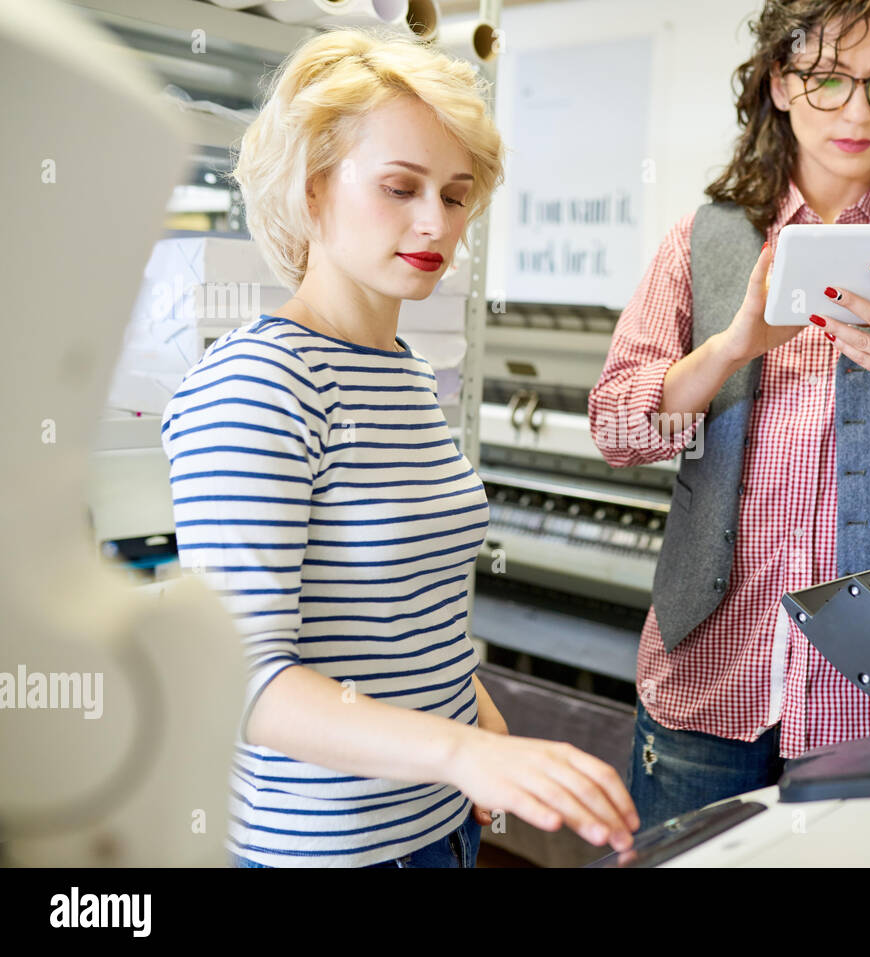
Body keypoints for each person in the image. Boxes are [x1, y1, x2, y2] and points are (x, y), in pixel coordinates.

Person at [162, 28, 637, 868]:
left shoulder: (407, 372)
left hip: (439, 829)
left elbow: (410, 627)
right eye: (399, 187)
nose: (434, 222)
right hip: (327, 851)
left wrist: (482, 735)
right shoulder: (258, 387)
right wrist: (466, 754)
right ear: (312, 191)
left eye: (455, 196)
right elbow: (248, 681)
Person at [588, 0, 870, 829]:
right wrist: (730, 348)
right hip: (708, 671)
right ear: (782, 84)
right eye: (827, 79)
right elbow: (618, 430)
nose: (858, 110)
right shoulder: (700, 239)